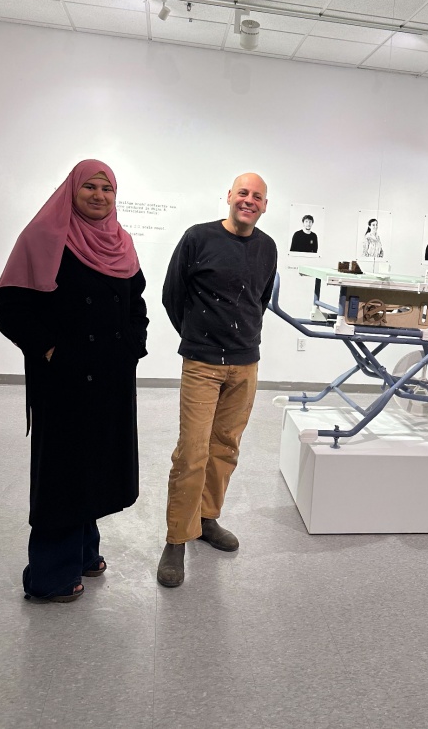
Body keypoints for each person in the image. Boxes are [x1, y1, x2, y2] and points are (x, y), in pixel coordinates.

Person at [0, 160, 148, 602]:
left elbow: (135, 303)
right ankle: (49, 576)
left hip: (111, 378)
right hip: (64, 381)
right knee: (63, 475)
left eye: (107, 188)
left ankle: (83, 551)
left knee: (94, 465)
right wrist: (50, 351)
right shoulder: (43, 236)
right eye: (90, 187)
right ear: (72, 190)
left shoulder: (121, 242)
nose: (99, 195)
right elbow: (10, 307)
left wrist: (133, 347)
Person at [158, 172, 277, 588]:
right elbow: (172, 295)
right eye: (243, 192)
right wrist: (198, 338)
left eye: (257, 196)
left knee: (225, 447)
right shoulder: (198, 237)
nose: (249, 200)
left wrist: (241, 340)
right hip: (202, 363)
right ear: (229, 196)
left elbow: (261, 300)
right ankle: (177, 538)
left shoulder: (267, 247)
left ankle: (207, 519)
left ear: (265, 205)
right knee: (191, 453)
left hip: (245, 364)